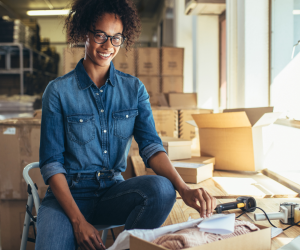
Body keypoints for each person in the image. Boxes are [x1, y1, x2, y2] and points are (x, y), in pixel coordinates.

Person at [36, 0, 217, 249]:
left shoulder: (134, 89)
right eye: (100, 35)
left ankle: (129, 246)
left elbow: (152, 147)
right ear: (84, 32)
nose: (107, 46)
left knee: (163, 189)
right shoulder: (58, 91)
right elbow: (51, 163)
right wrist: (78, 221)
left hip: (113, 192)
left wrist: (184, 189)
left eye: (116, 38)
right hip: (68, 194)